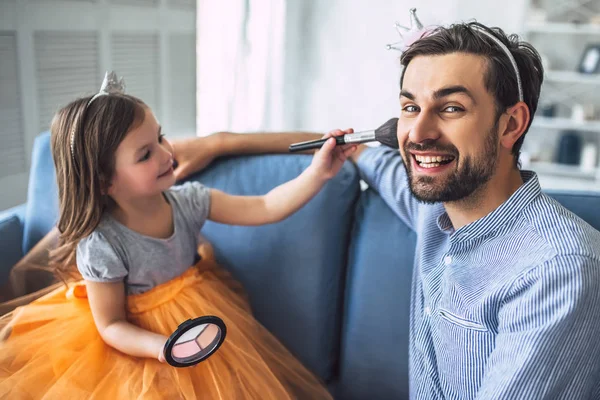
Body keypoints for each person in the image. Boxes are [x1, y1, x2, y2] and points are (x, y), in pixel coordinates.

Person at [170, 22, 600, 399]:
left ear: (511, 124)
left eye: (451, 108)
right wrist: (220, 142)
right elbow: (350, 148)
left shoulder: (556, 270)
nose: (419, 133)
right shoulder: (435, 206)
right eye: (411, 107)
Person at [0, 72, 355, 400]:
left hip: (198, 313)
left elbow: (265, 206)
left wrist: (318, 173)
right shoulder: (102, 244)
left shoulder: (189, 201)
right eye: (145, 154)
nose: (167, 153)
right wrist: (164, 347)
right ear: (105, 181)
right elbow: (110, 325)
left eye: (160, 137)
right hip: (137, 343)